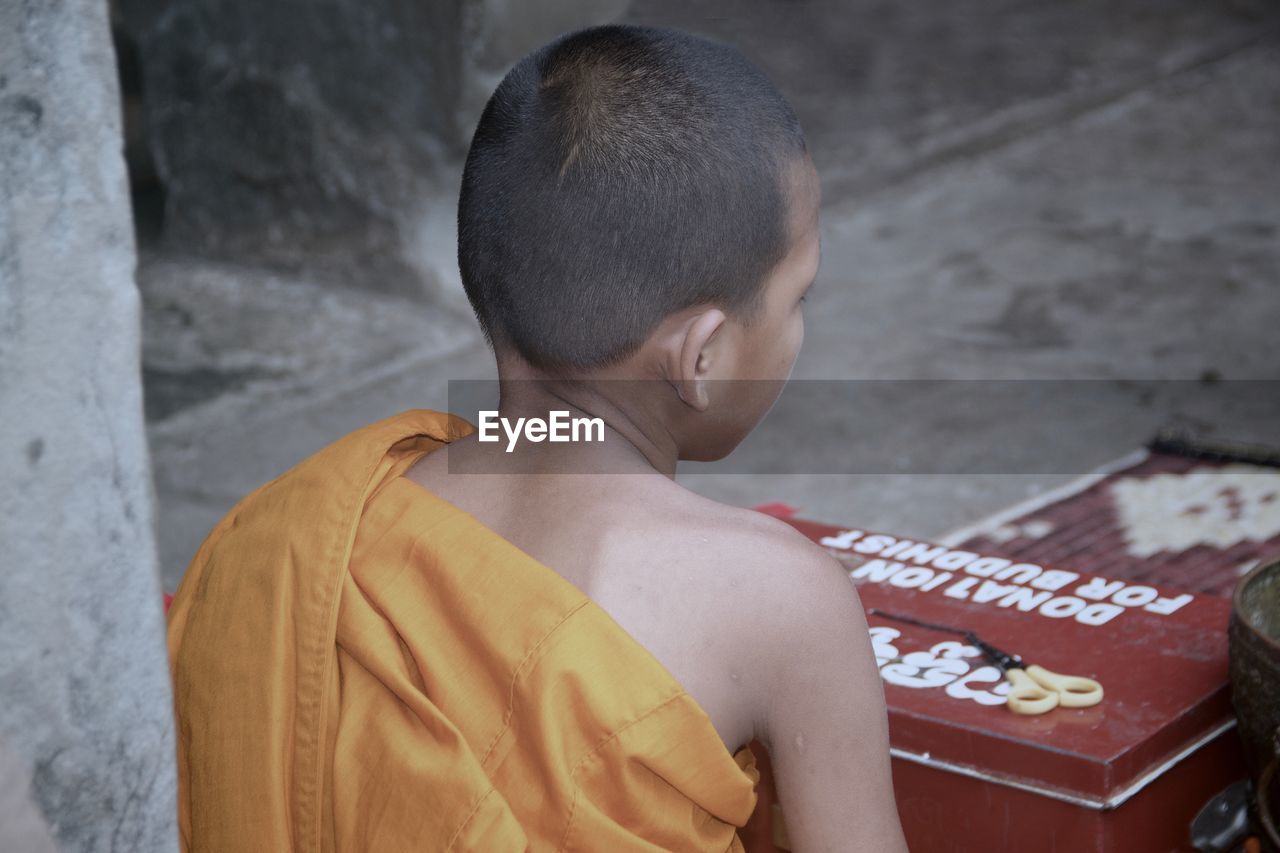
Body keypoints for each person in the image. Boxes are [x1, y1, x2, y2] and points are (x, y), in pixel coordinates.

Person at [166, 23, 906, 852]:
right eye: (798, 295)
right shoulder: (783, 600)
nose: (801, 326)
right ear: (700, 357)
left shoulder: (292, 533)